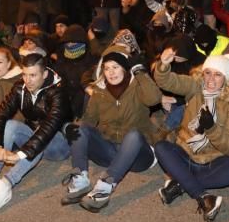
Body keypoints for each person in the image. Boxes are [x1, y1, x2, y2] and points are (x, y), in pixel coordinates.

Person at [0, 52, 71, 212]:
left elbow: (48, 128)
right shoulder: (20, 87)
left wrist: (19, 154)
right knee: (11, 125)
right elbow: (1, 114)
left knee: (40, 132)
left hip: (57, 144)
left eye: (33, 75)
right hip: (34, 139)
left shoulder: (58, 92)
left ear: (45, 73)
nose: (28, 80)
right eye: (25, 75)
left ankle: (6, 184)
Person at [60, 45, 161, 212]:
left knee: (134, 135)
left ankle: (104, 187)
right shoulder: (100, 92)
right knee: (79, 127)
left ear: (125, 69)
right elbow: (89, 120)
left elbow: (154, 99)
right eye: (107, 68)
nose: (111, 72)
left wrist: (139, 71)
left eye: (116, 67)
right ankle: (80, 179)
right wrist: (75, 132)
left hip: (139, 155)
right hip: (110, 150)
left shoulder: (137, 86)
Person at [153, 51, 229, 222]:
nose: (211, 79)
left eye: (218, 74)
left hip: (213, 160)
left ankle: (181, 183)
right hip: (186, 152)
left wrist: (211, 128)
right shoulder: (195, 87)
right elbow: (167, 81)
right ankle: (202, 196)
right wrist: (164, 65)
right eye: (208, 72)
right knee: (161, 147)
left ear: (226, 78)